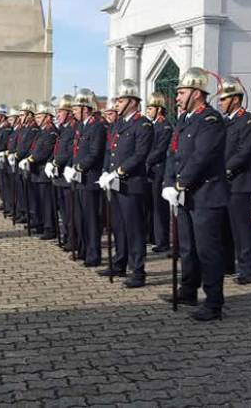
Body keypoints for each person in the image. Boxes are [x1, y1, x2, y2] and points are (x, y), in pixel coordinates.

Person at [162, 67, 229, 321]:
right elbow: (173, 153)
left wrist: (180, 184)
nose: (177, 97)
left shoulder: (210, 120)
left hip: (206, 194)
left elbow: (201, 157)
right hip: (185, 194)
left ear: (197, 93)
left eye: (181, 92)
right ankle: (188, 290)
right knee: (187, 247)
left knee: (207, 250)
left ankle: (213, 302)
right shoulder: (184, 120)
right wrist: (169, 183)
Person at [98, 80, 154, 288]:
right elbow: (109, 151)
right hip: (115, 183)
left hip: (131, 184)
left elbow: (140, 154)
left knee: (134, 229)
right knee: (119, 226)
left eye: (120, 100)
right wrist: (106, 171)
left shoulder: (143, 124)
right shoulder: (117, 124)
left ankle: (138, 271)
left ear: (132, 101)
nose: (117, 103)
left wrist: (118, 172)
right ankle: (120, 262)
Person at [218, 77, 251, 285]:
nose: (220, 103)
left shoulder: (248, 121)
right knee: (224, 226)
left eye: (224, 99)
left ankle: (248, 268)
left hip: (239, 181)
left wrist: (224, 169)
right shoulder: (224, 121)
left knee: (241, 227)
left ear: (235, 99)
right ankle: (227, 264)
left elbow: (243, 152)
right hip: (223, 183)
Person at [65, 89, 106, 267]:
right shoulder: (81, 127)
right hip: (78, 179)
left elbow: (94, 153)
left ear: (86, 108)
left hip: (89, 179)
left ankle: (93, 254)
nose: (73, 111)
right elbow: (76, 151)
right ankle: (82, 249)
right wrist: (72, 168)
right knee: (80, 218)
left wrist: (79, 167)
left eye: (76, 108)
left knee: (90, 219)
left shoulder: (97, 127)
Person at [25, 101, 59, 240]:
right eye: (37, 117)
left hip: (44, 172)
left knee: (47, 203)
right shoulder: (42, 132)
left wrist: (30, 159)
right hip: (37, 172)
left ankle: (50, 228)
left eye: (40, 117)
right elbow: (35, 148)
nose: (37, 120)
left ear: (48, 117)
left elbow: (44, 152)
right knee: (40, 201)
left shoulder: (51, 132)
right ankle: (43, 224)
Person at [145, 92, 173, 254]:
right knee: (149, 206)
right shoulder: (152, 125)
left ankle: (162, 240)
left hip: (158, 170)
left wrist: (146, 160)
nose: (148, 111)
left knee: (159, 207)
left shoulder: (165, 126)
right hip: (149, 170)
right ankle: (152, 236)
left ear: (159, 109)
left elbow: (160, 150)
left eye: (150, 108)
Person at [51, 95, 77, 250]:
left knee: (70, 211)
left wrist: (57, 162)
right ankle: (66, 235)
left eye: (60, 112)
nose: (57, 115)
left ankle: (73, 239)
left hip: (67, 174)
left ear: (68, 113)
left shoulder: (73, 129)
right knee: (63, 210)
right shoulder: (63, 129)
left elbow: (69, 152)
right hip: (59, 175)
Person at [15, 101, 40, 231]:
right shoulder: (25, 128)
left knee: (31, 194)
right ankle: (28, 215)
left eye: (23, 114)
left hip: (28, 163)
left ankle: (34, 218)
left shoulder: (33, 128)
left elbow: (27, 146)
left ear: (30, 115)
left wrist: (17, 155)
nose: (20, 117)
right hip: (22, 163)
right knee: (24, 192)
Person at [0, 105, 13, 215]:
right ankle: (4, 202)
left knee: (6, 183)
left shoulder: (6, 129)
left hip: (4, 160)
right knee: (1, 183)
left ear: (2, 116)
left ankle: (8, 204)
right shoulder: (1, 128)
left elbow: (3, 144)